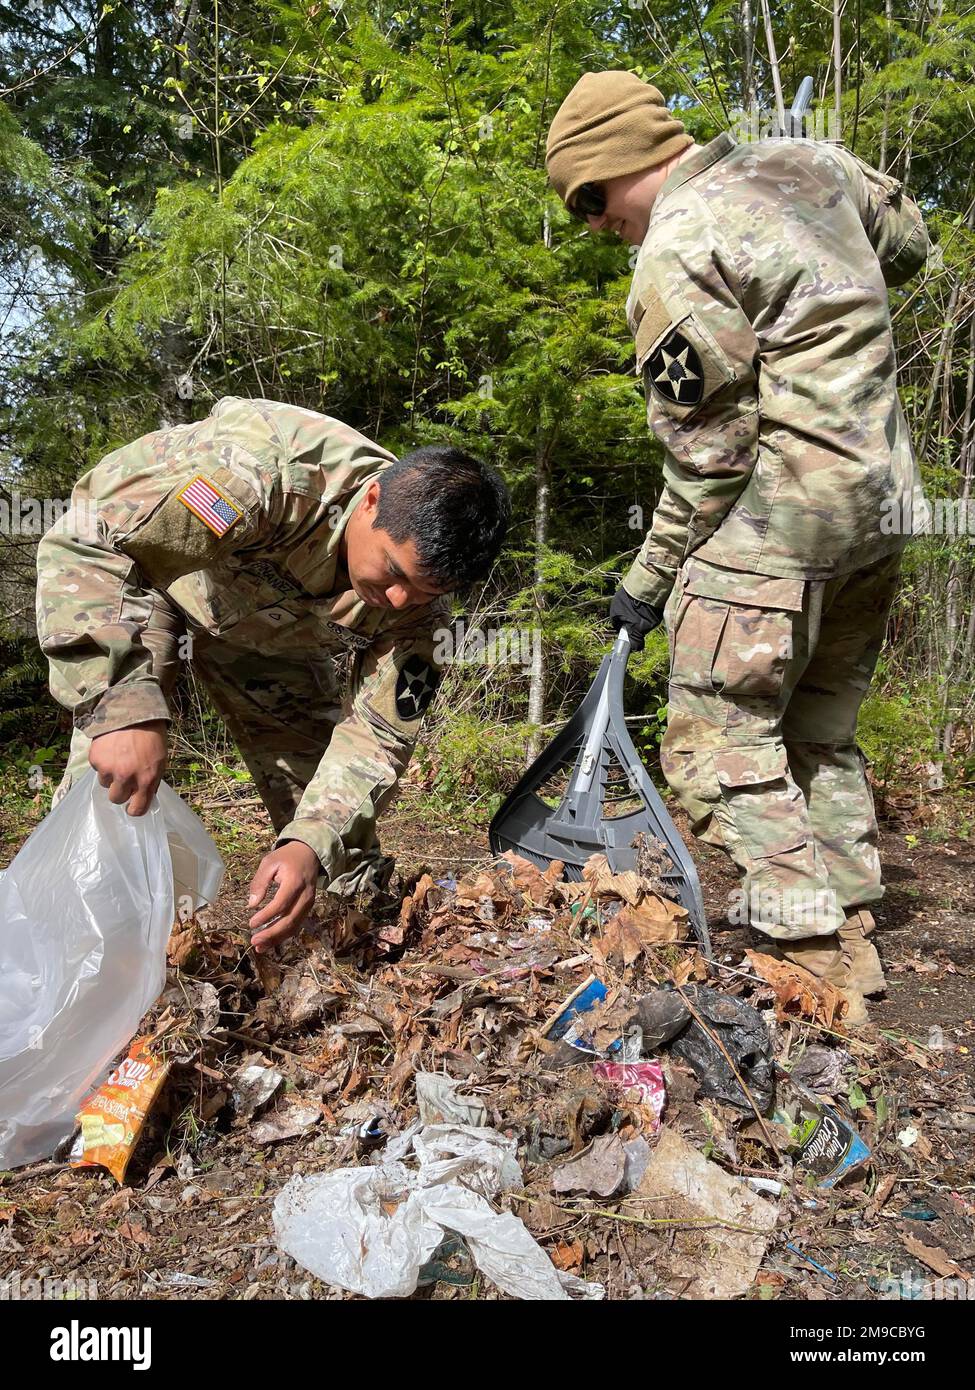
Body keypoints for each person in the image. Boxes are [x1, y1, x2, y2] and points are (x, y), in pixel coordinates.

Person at [546, 71, 931, 1023]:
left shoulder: (675, 248)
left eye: (587, 203)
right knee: (816, 729)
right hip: (882, 507)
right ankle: (853, 925)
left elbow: (713, 460)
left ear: (617, 167)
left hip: (781, 523)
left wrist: (645, 579)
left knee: (717, 741)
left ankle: (812, 962)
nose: (596, 227)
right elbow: (912, 246)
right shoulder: (806, 163)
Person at [36, 396, 510, 952]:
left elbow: (379, 735)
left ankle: (357, 946)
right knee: (108, 787)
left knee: (332, 838)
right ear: (371, 502)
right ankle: (76, 950)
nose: (400, 599)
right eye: (394, 571)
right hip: (154, 589)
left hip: (271, 642)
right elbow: (90, 542)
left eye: (424, 591)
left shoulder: (420, 612)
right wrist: (121, 707)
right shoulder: (263, 473)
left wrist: (309, 842)